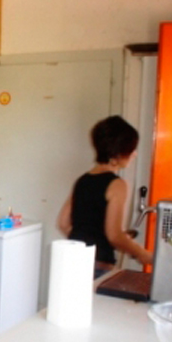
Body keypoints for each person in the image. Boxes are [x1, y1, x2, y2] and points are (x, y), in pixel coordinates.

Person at [57, 115, 153, 278]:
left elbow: (63, 223)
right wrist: (142, 253)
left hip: (72, 261)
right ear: (118, 153)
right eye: (131, 149)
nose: (134, 154)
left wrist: (87, 242)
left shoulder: (82, 180)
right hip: (99, 266)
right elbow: (114, 235)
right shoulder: (117, 185)